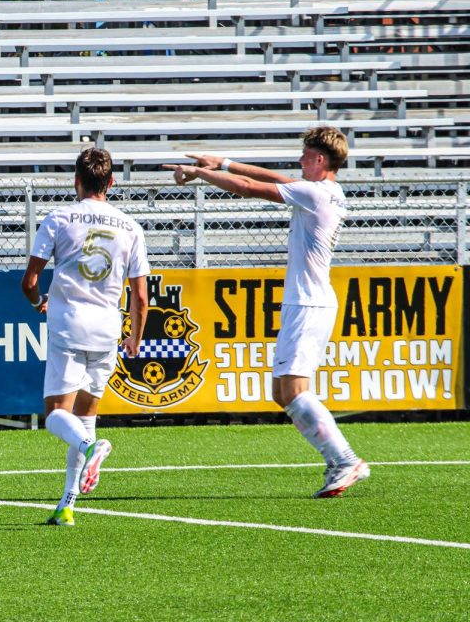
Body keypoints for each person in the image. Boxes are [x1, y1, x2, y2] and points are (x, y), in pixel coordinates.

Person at [163, 127, 369, 498]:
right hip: (307, 301)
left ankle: (345, 460)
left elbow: (249, 187)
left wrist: (200, 174)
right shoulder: (327, 191)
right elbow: (275, 178)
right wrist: (221, 162)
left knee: (291, 390)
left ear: (320, 160)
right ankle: (340, 460)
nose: (300, 160)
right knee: (283, 391)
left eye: (306, 155)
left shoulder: (314, 193)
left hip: (309, 303)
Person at [22, 148, 149, 527]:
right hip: (108, 329)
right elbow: (141, 296)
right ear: (111, 183)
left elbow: (29, 281)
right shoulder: (131, 227)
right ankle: (67, 504)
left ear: (75, 180)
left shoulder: (60, 218)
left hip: (68, 324)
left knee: (57, 416)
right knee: (86, 416)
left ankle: (92, 449)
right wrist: (136, 338)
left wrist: (37, 301)